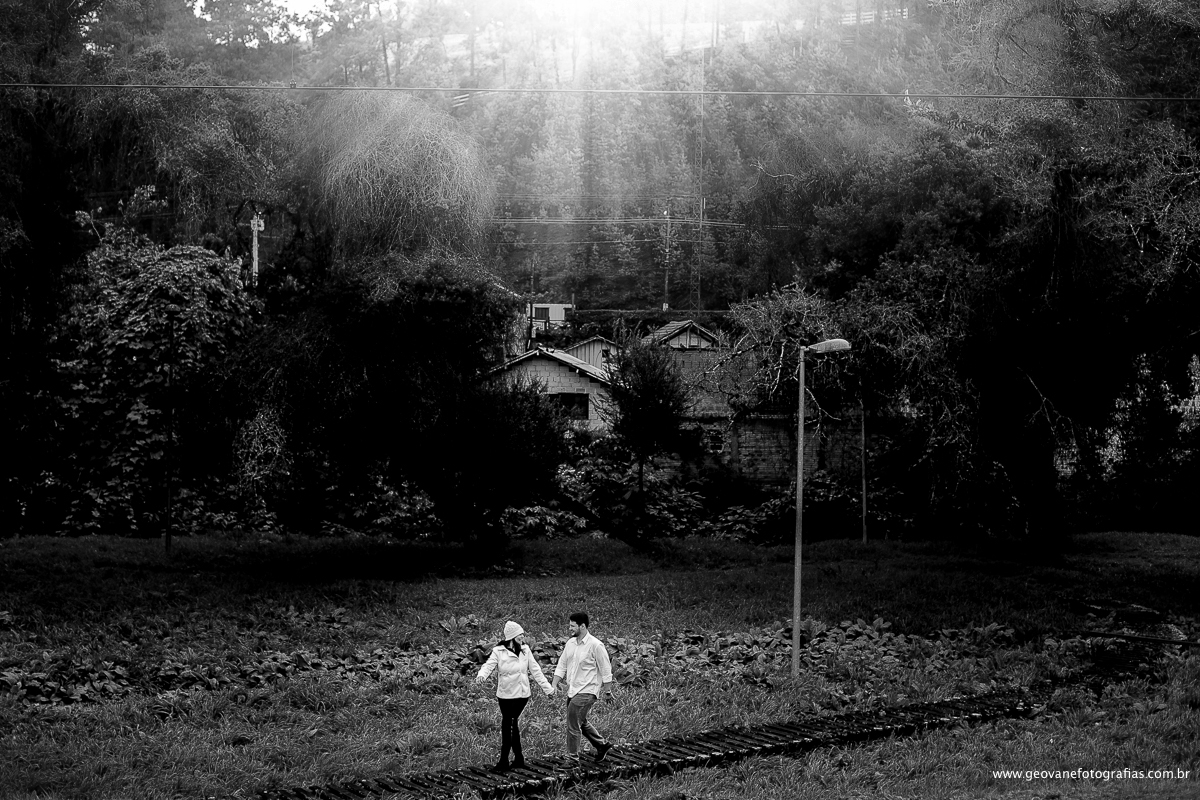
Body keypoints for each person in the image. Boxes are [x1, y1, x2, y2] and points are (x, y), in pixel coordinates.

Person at [475, 620, 554, 773]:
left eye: (522, 634)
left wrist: (548, 689)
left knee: (508, 724)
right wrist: (481, 676)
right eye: (519, 635)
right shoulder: (499, 651)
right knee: (512, 724)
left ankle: (504, 761)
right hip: (505, 695)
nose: (522, 637)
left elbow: (536, 671)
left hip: (522, 694)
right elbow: (488, 666)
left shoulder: (525, 650)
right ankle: (518, 759)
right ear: (511, 636)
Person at [551, 611, 615, 765]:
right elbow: (562, 665)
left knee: (573, 723)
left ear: (583, 626)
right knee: (581, 721)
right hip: (573, 690)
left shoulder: (596, 645)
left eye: (573, 626)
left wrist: (607, 691)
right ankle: (602, 745)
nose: (569, 629)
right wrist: (553, 684)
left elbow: (606, 671)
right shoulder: (570, 643)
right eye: (570, 625)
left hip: (588, 691)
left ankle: (572, 759)